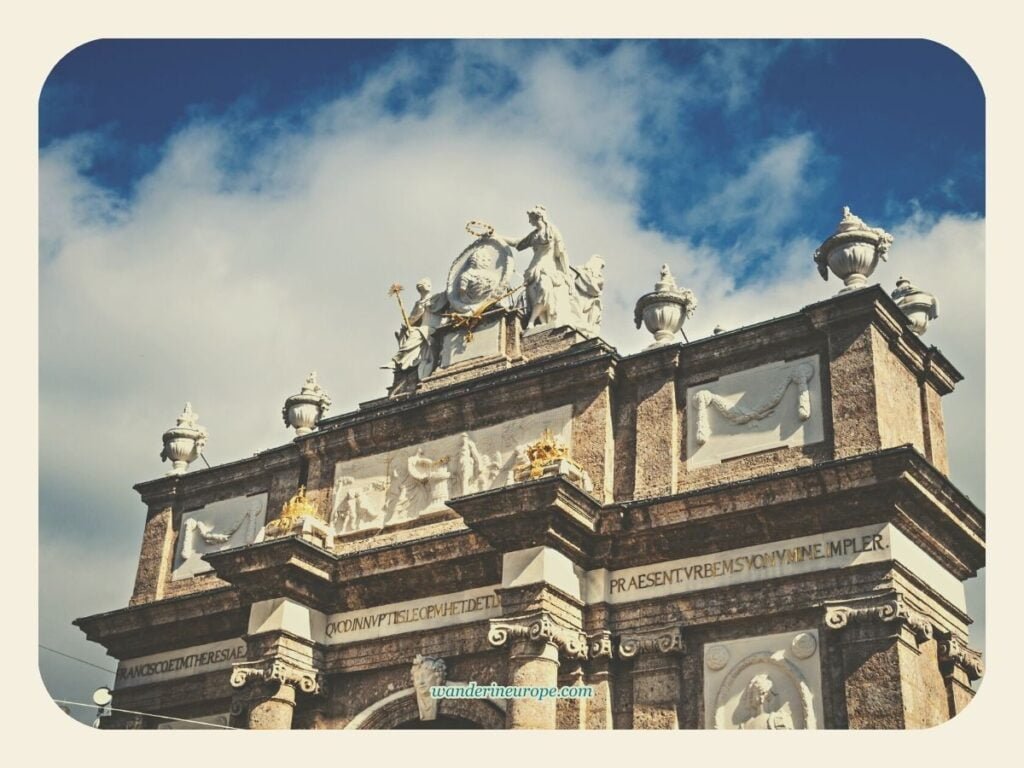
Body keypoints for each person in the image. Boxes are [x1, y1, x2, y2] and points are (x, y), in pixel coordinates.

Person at [498, 206, 576, 329]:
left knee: (544, 289)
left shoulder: (552, 231)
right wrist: (497, 236)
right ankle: (541, 323)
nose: (529, 222)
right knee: (533, 297)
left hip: (548, 268)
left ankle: (531, 321)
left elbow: (562, 253)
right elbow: (517, 243)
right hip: (533, 269)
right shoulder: (533, 235)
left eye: (530, 219)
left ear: (537, 217)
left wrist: (567, 275)